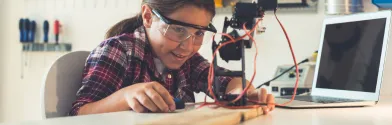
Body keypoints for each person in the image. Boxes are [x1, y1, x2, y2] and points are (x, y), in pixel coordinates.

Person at [69, 0, 275, 116]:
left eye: (199, 33)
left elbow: (224, 81)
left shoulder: (189, 61)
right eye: (178, 29)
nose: (187, 46)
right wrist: (126, 96)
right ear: (148, 17)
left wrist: (241, 91)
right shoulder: (119, 51)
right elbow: (80, 113)